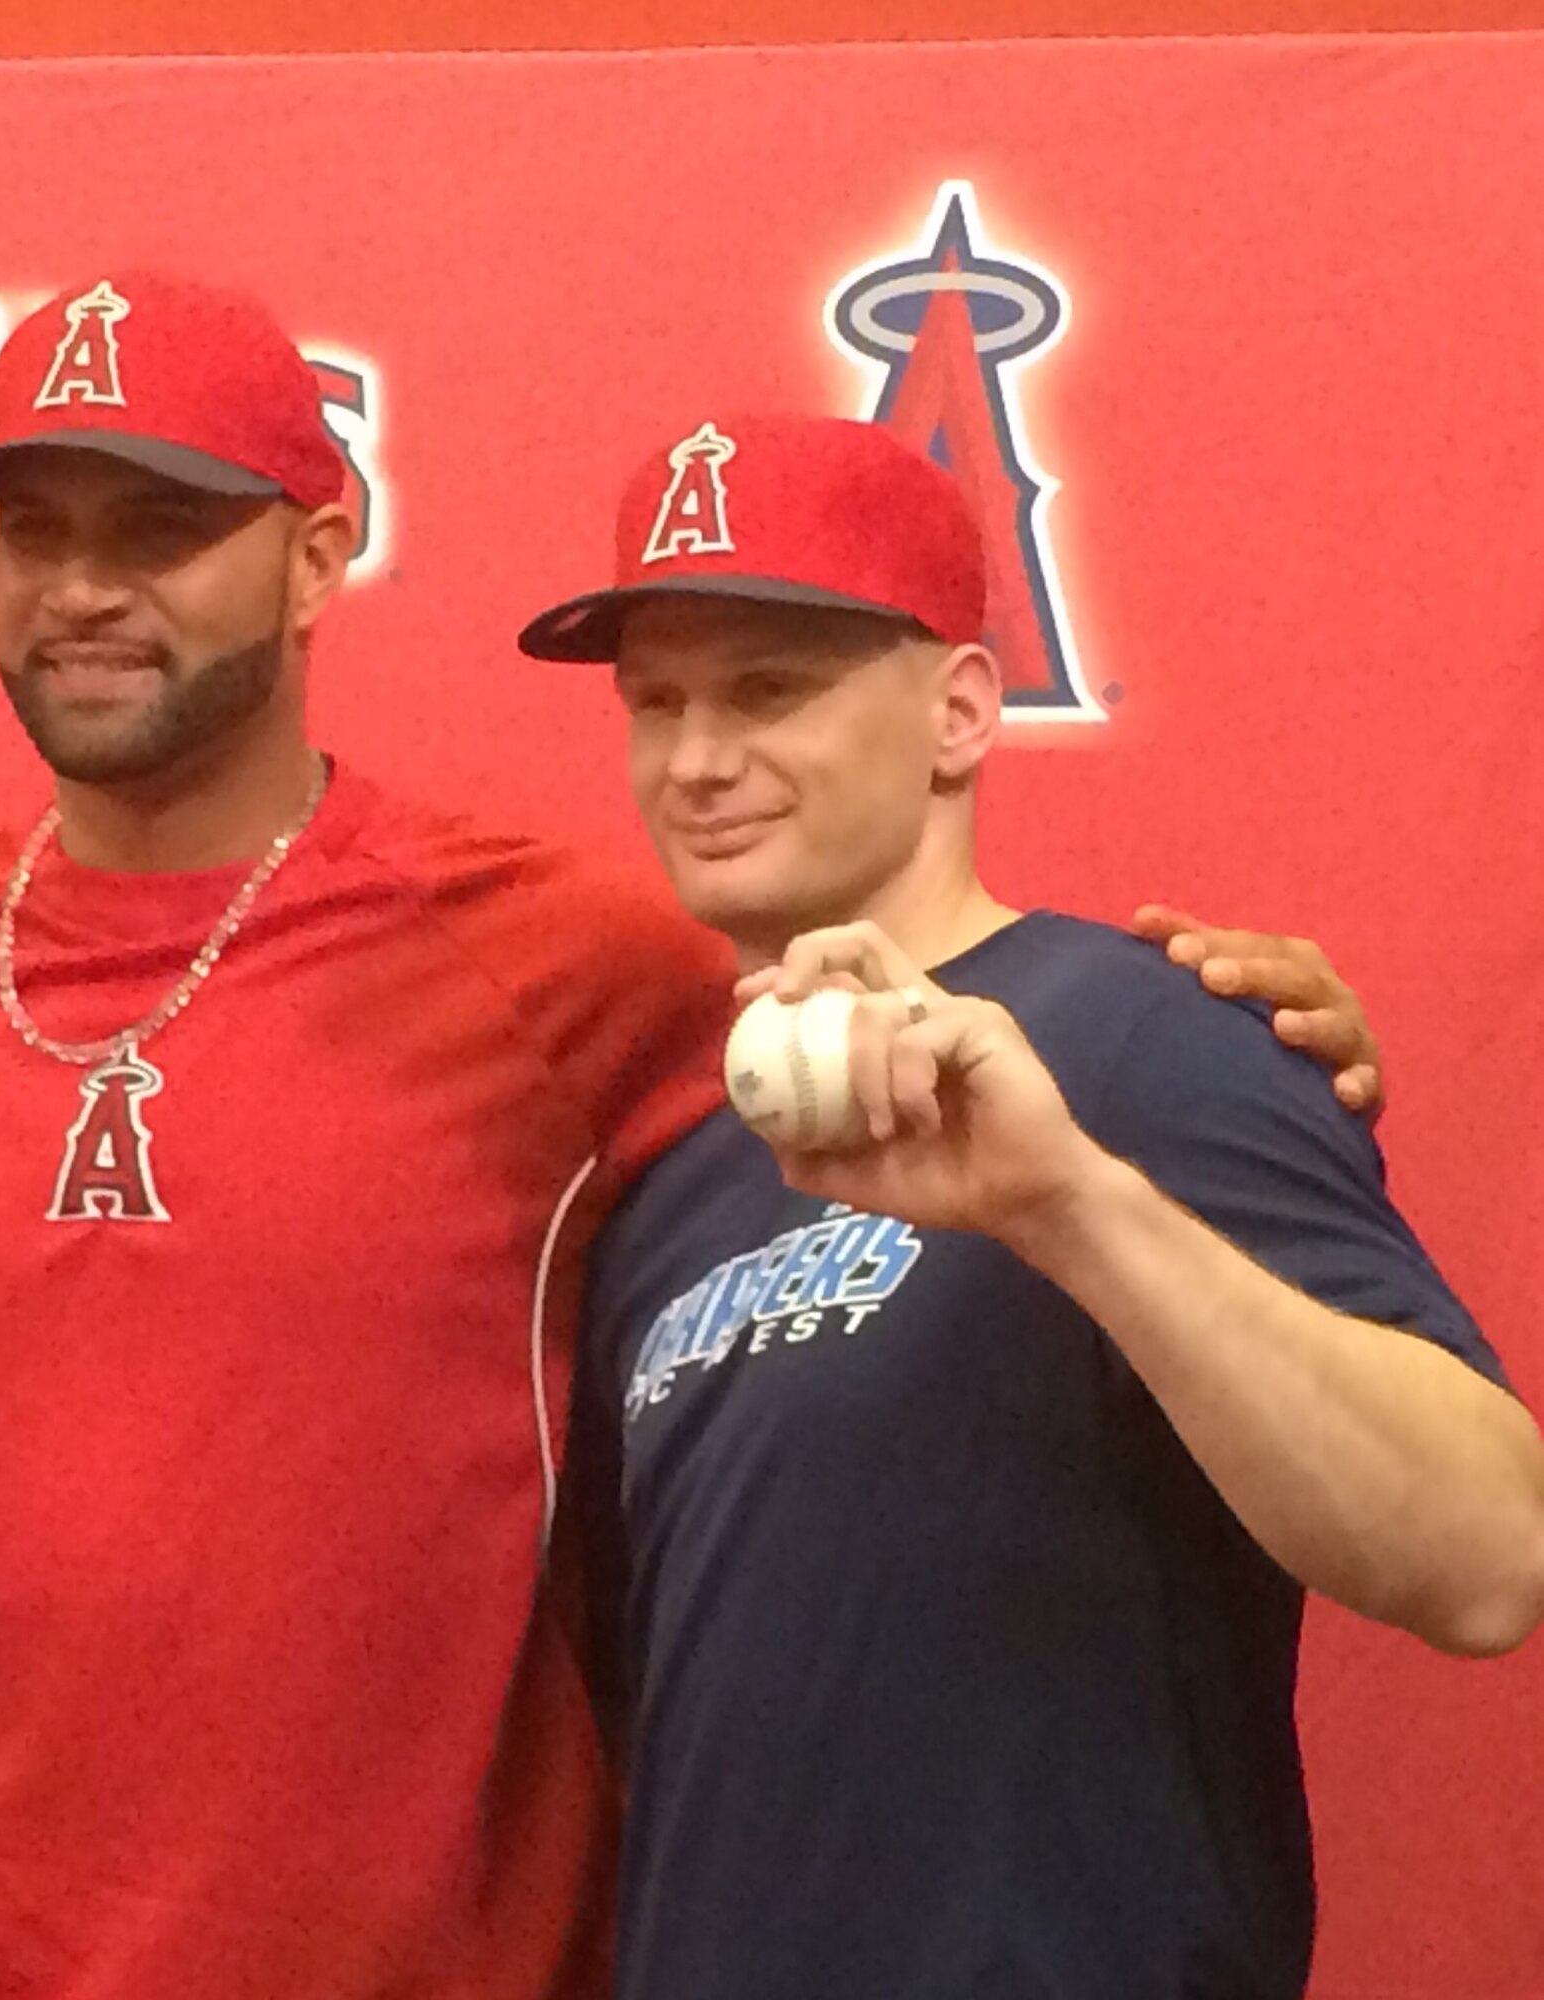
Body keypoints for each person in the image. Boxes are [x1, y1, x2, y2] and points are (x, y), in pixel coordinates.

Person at [518, 415, 1544, 2000]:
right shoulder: (665, 1172)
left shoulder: (1147, 1034)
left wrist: (1068, 1203)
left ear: (962, 710)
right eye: (656, 703)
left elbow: (1488, 1554)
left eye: (769, 690)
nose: (698, 759)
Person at [0, 272, 738, 2000]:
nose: (84, 590)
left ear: (317, 557)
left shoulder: (564, 967)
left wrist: (1210, 1022)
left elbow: (909, 1043)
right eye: (36, 532)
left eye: (161, 528)